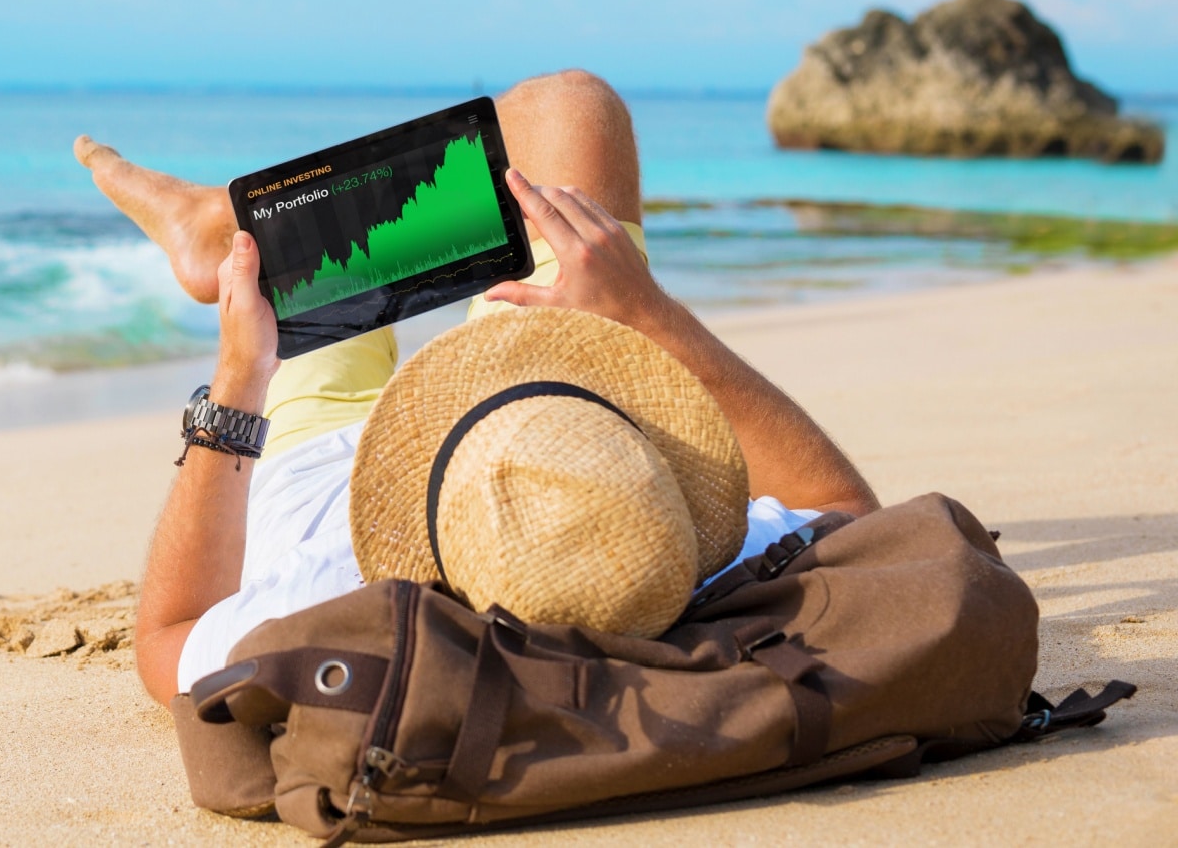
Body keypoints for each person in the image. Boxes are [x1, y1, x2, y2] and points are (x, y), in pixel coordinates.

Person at [74, 70, 880, 707]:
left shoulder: (328, 609)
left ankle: (223, 235)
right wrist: (644, 309)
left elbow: (166, 638)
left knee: (299, 266)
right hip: (540, 430)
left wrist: (237, 377)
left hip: (332, 468)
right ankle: (227, 230)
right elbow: (846, 507)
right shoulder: (654, 564)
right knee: (570, 108)